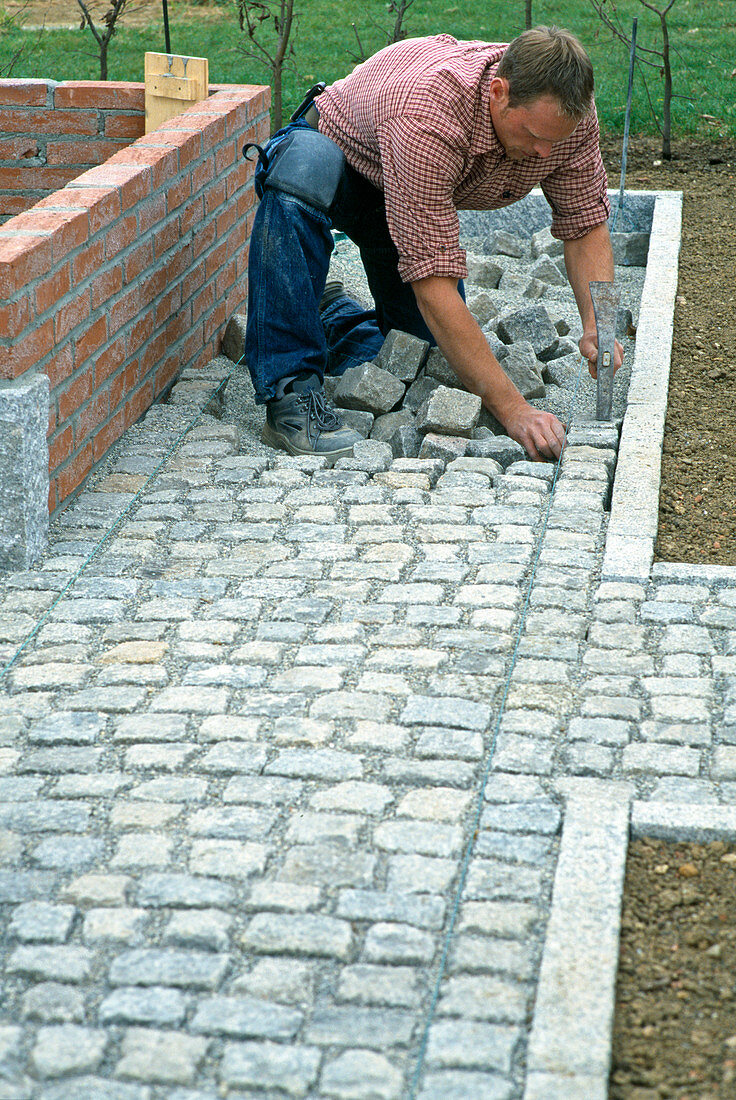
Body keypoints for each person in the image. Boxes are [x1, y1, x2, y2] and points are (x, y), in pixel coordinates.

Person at [243, 25, 624, 463]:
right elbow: (434, 284)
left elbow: (585, 225)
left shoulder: (564, 116)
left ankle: (322, 315)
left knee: (421, 354)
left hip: (407, 190)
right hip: (340, 164)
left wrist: (599, 322)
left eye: (553, 141)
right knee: (302, 171)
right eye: (535, 136)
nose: (544, 153)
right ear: (498, 92)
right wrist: (514, 410)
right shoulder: (430, 114)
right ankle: (291, 392)